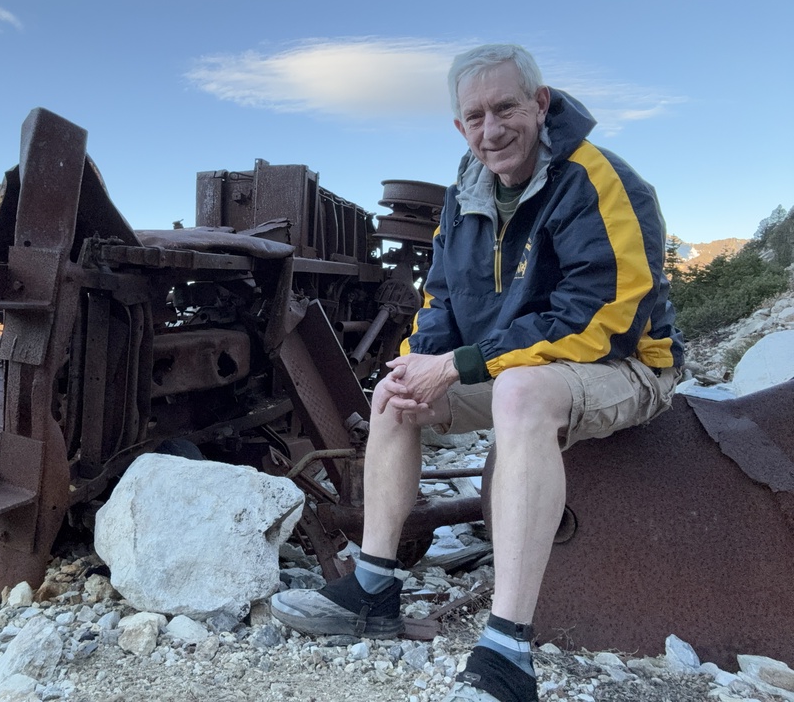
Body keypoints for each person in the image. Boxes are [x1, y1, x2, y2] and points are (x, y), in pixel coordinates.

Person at [270, 44, 684, 702]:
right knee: (393, 397)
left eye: (506, 108)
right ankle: (373, 590)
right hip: (519, 361)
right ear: (459, 127)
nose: (491, 130)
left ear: (540, 104)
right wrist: (420, 361)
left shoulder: (595, 178)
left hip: (625, 363)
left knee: (520, 393)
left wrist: (461, 365)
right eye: (475, 116)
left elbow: (605, 314)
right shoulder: (465, 197)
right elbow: (439, 301)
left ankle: (507, 653)